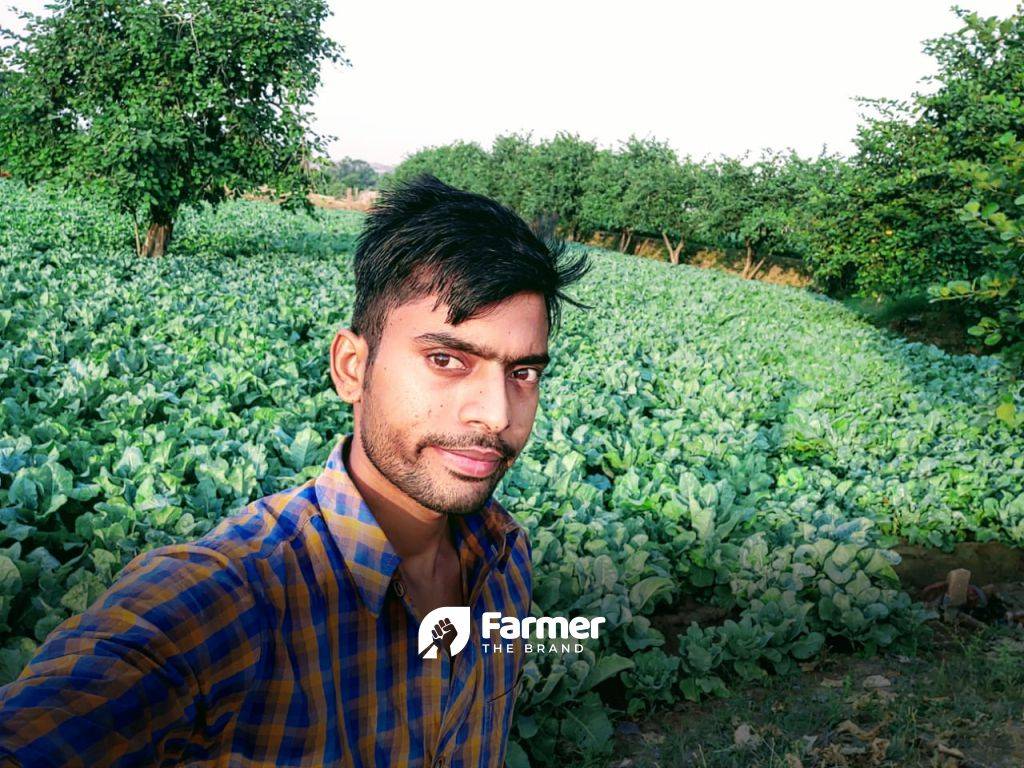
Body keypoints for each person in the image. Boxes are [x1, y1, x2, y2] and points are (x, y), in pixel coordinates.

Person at [0, 174, 592, 767]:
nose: (496, 414)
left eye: (523, 373)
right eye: (446, 359)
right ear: (352, 367)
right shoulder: (231, 597)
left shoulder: (503, 556)